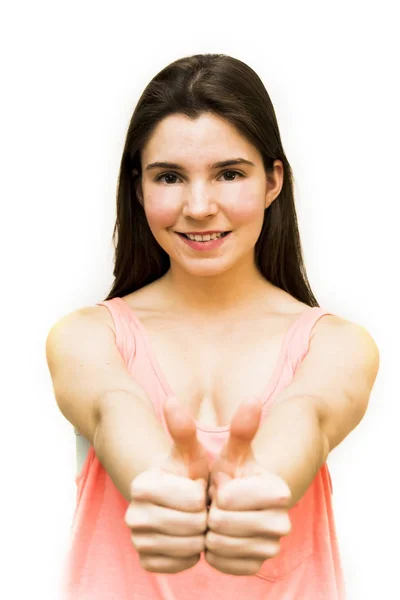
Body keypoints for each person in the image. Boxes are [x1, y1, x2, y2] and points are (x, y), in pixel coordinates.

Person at [46, 53, 380, 600]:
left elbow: (308, 414)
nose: (199, 206)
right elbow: (114, 409)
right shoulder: (85, 337)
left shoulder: (338, 346)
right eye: (170, 177)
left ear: (274, 181)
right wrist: (160, 487)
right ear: (138, 189)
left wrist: (256, 492)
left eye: (229, 173)